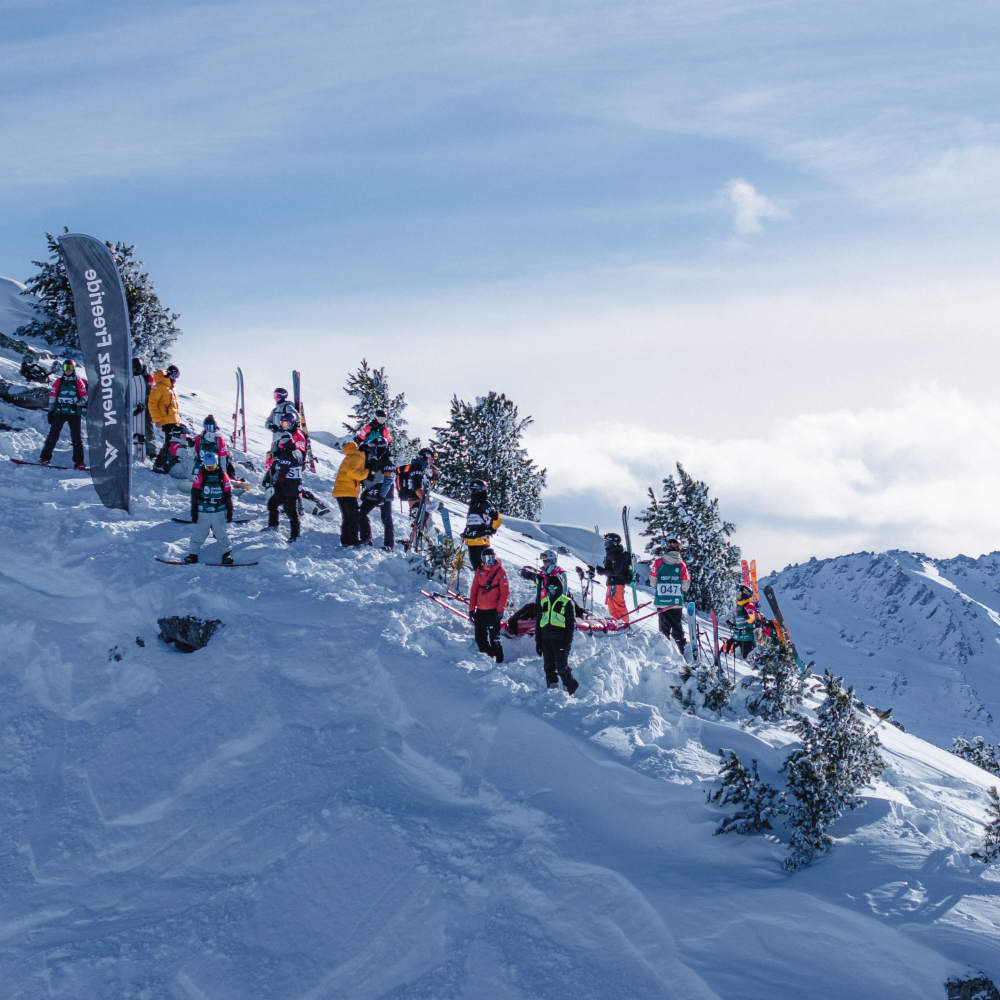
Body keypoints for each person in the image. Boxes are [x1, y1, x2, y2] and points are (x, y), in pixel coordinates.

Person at [534, 567, 579, 695]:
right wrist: (538, 642)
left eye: (554, 588)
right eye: (549, 588)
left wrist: (568, 643)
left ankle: (570, 687)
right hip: (545, 639)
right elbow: (538, 623)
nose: (552, 590)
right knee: (548, 667)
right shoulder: (544, 602)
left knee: (561, 667)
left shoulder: (566, 602)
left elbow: (570, 626)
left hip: (560, 640)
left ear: (559, 588)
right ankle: (552, 689)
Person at [184, 451, 234, 564]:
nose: (210, 469)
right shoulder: (200, 476)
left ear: (216, 464)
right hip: (204, 510)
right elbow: (194, 495)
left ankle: (226, 554)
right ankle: (193, 554)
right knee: (199, 533)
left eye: (212, 467)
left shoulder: (222, 476)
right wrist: (194, 511)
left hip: (218, 510)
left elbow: (227, 495)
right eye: (208, 467)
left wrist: (230, 511)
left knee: (221, 534)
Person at [39, 359, 88, 469]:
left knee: (76, 438)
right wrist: (50, 411)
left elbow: (85, 397)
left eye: (70, 368)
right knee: (53, 436)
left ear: (74, 369)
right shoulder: (59, 381)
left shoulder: (78, 382)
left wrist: (78, 404)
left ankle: (79, 462)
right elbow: (53, 397)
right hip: (60, 412)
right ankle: (45, 458)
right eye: (66, 368)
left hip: (74, 413)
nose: (68, 370)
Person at [649, 537, 690, 655]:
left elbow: (652, 581)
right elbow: (685, 584)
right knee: (677, 626)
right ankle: (681, 649)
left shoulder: (658, 562)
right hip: (676, 601)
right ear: (679, 548)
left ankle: (664, 651)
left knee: (664, 627)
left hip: (662, 600)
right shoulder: (681, 564)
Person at [468, 546, 509, 662]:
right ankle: (487, 658)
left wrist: (500, 610)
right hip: (480, 611)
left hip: (493, 611)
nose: (489, 562)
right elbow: (474, 591)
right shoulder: (479, 572)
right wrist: (471, 609)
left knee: (494, 638)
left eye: (491, 558)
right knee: (479, 637)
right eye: (486, 559)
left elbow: (504, 593)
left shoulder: (501, 572)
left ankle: (499, 660)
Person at [266, 430, 303, 541]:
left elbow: (283, 471)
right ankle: (274, 526)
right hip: (295, 485)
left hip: (287, 487)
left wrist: (278, 484)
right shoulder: (298, 451)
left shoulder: (287, 452)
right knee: (273, 503)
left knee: (291, 511)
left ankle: (295, 535)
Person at [331, 440, 368, 546]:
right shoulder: (357, 457)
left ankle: (345, 541)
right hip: (348, 492)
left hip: (341, 491)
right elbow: (352, 472)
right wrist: (365, 473)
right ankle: (352, 542)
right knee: (354, 518)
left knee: (347, 518)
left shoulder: (348, 457)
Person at [359, 450, 396, 550]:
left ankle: (389, 545)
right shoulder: (373, 459)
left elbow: (388, 480)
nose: (374, 449)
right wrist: (366, 491)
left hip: (385, 495)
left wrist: (382, 496)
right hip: (373, 493)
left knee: (386, 519)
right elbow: (371, 478)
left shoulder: (388, 462)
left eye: (376, 447)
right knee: (361, 513)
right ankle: (366, 538)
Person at [462, 478, 501, 570]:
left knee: (484, 567)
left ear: (480, 490)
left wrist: (491, 529)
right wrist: (466, 531)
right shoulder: (473, 504)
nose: (472, 493)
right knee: (476, 567)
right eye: (471, 490)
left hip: (481, 540)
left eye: (474, 490)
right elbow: (471, 520)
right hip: (471, 540)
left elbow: (497, 518)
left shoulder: (485, 504)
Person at [593, 532, 633, 624]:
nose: (605, 544)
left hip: (617, 582)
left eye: (607, 541)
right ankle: (616, 622)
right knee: (611, 604)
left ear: (612, 542)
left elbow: (616, 571)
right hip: (612, 582)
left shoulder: (616, 554)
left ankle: (624, 623)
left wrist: (603, 571)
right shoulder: (612, 553)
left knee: (618, 604)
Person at [149, 364, 182, 471]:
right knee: (169, 442)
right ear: (169, 373)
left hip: (173, 420)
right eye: (174, 374)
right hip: (166, 419)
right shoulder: (160, 386)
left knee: (171, 442)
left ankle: (162, 464)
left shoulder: (172, 388)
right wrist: (156, 419)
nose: (175, 377)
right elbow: (152, 403)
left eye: (177, 375)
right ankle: (160, 465)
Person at [132, 358, 158, 461]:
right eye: (135, 369)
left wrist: (146, 401)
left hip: (146, 405)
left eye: (138, 368)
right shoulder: (130, 377)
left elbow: (151, 391)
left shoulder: (147, 377)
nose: (136, 371)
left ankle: (151, 451)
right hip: (134, 404)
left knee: (147, 428)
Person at [729, 584, 759, 659]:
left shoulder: (749, 605)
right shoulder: (739, 606)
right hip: (738, 637)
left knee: (746, 659)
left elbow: (751, 619)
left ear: (744, 594)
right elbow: (741, 621)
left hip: (747, 638)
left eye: (739, 593)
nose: (737, 595)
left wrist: (747, 616)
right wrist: (734, 625)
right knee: (727, 651)